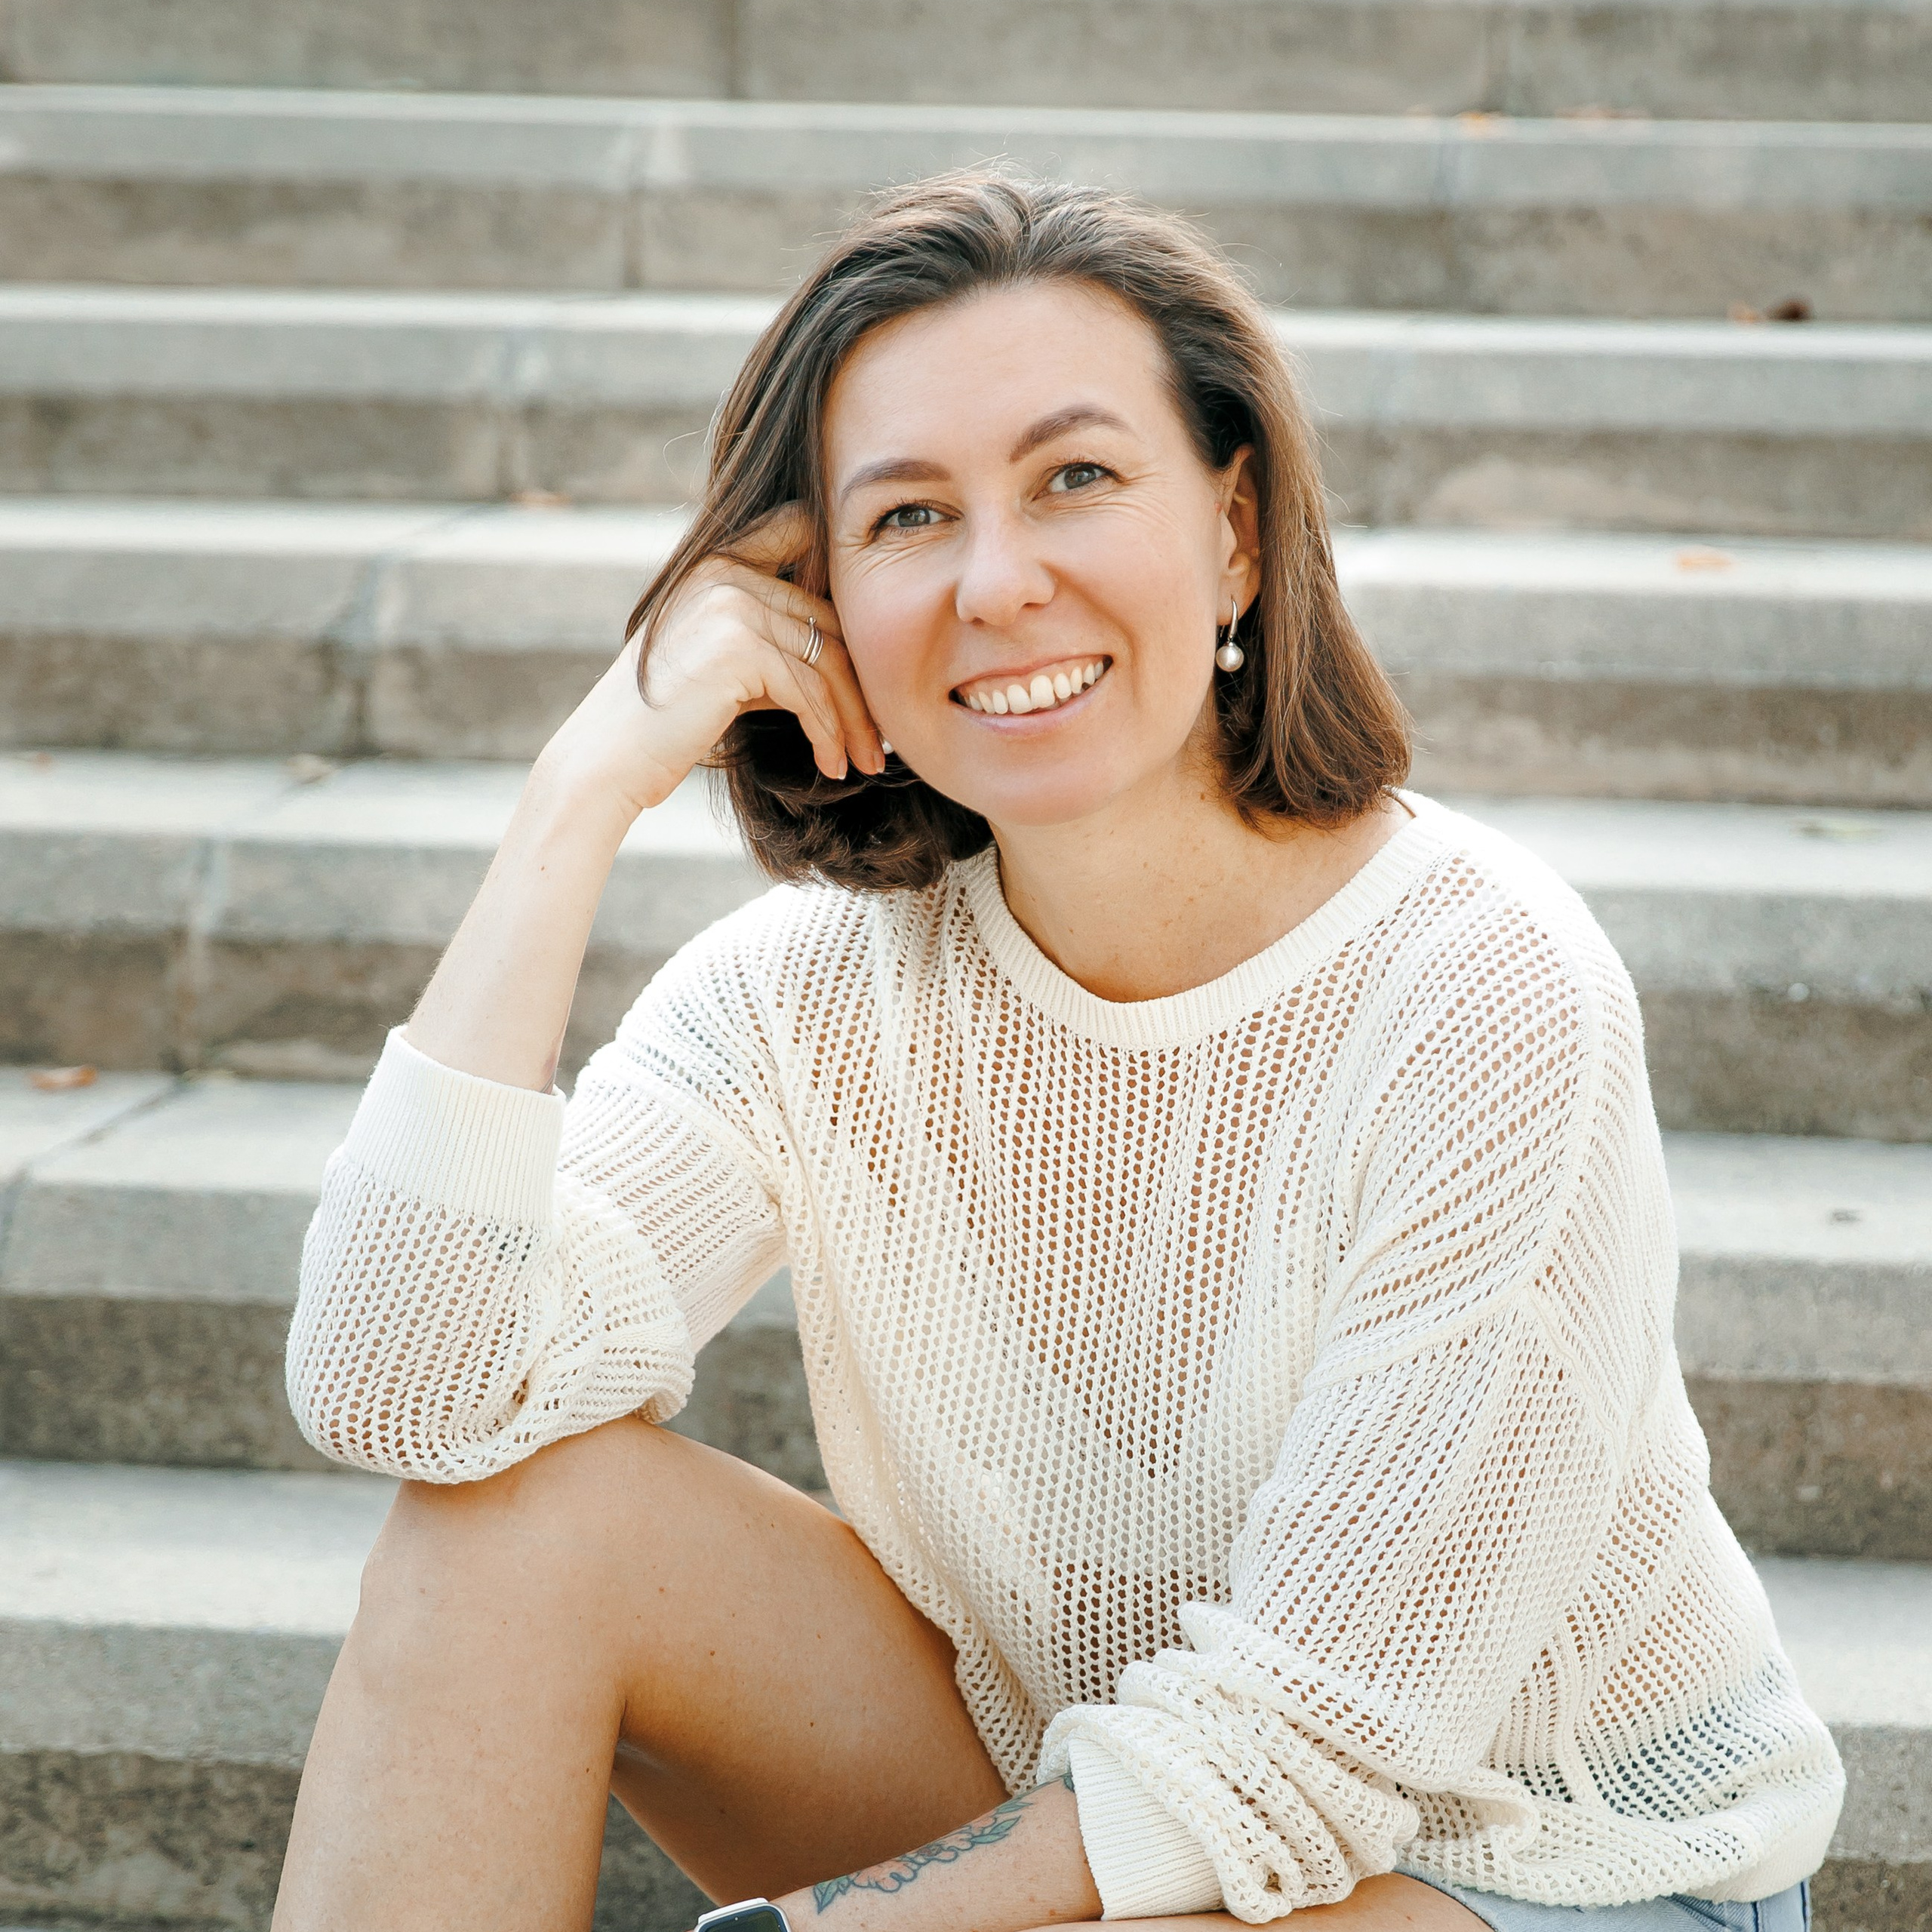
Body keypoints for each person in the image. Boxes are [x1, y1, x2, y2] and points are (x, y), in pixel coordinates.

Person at [274, 171, 1841, 1932]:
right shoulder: (806, 998)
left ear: (1233, 532)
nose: (998, 582)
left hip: (1517, 1865)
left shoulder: (1483, 986)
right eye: (908, 517)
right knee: (505, 1529)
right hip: (1086, 1802)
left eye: (1073, 478)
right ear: (819, 602)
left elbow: (1304, 1749)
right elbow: (406, 1389)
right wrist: (580, 791)